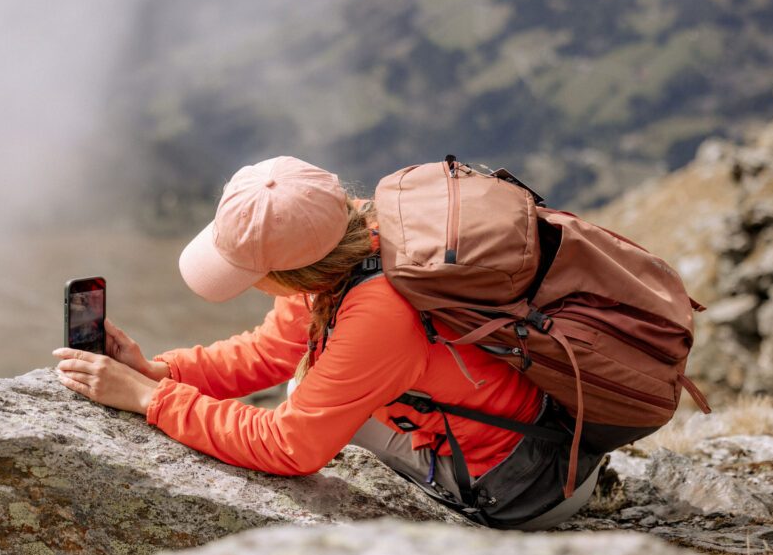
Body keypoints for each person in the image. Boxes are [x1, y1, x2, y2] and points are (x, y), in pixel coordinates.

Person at [52, 156, 605, 530]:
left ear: (290, 275)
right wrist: (159, 371)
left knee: (307, 392)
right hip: (534, 439)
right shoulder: (353, 238)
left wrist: (152, 401)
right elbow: (271, 351)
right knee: (308, 379)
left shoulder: (380, 314)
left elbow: (291, 448)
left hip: (524, 485)